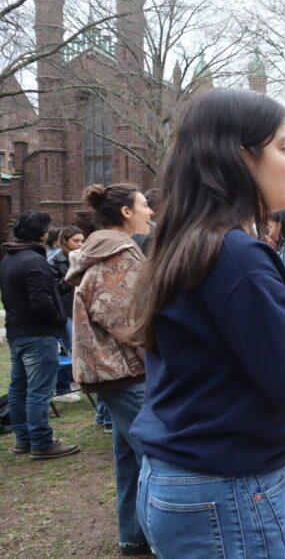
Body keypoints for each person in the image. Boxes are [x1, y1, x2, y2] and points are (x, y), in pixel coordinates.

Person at [128, 88, 285, 558]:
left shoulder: (195, 240)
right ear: (239, 155)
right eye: (284, 146)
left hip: (183, 480)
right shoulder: (233, 252)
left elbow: (235, 349)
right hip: (224, 493)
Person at [66, 183, 153, 556]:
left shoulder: (107, 250)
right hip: (126, 373)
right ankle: (160, 535)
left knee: (129, 457)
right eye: (145, 205)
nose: (151, 212)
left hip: (115, 374)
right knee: (155, 456)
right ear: (126, 213)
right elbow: (132, 325)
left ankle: (134, 536)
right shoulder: (117, 257)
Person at [0, 211, 80, 460]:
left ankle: (24, 440)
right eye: (47, 228)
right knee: (38, 390)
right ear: (41, 233)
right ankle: (41, 442)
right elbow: (40, 302)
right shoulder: (33, 260)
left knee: (19, 387)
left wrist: (65, 284)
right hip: (37, 334)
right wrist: (57, 319)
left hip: (18, 332)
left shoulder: (9, 258)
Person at [48, 226, 85, 403]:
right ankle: (62, 388)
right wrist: (72, 274)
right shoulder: (55, 260)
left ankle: (77, 380)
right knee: (67, 347)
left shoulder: (82, 257)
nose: (80, 244)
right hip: (65, 309)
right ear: (65, 241)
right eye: (76, 241)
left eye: (82, 241)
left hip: (80, 307)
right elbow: (55, 289)